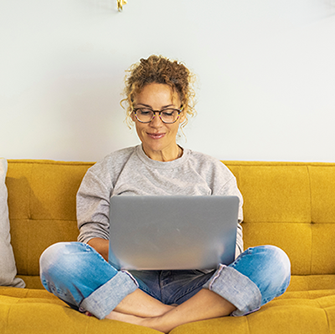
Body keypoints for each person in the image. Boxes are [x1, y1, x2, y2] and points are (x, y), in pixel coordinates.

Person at [40, 55, 291, 333]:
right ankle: (180, 317)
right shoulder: (107, 170)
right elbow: (90, 241)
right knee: (56, 258)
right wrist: (141, 251)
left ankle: (155, 322)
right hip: (129, 286)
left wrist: (194, 251)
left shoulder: (213, 172)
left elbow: (234, 251)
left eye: (167, 112)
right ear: (132, 112)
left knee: (275, 261)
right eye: (144, 111)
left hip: (200, 286)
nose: (155, 123)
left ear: (182, 112)